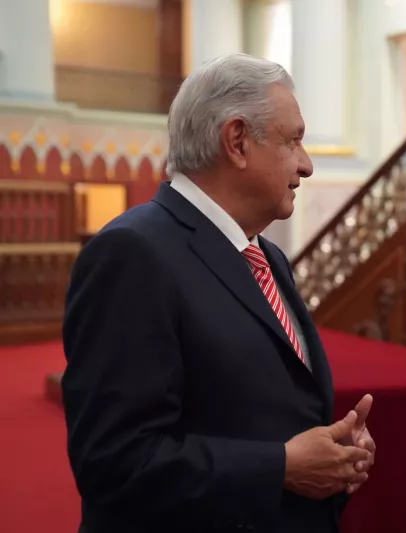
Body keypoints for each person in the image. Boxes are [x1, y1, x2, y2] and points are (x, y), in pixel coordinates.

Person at [61, 53, 376, 533]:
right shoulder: (132, 253)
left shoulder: (267, 257)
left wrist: (332, 454)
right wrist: (281, 466)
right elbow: (114, 459)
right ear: (237, 142)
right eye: (293, 141)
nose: (307, 165)